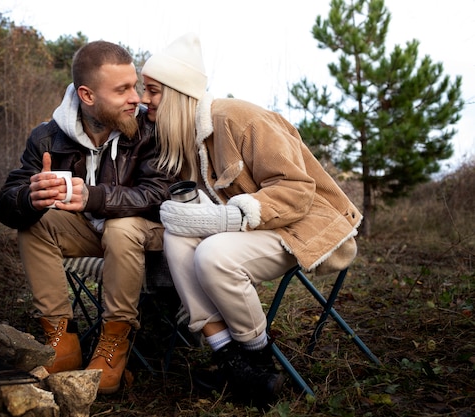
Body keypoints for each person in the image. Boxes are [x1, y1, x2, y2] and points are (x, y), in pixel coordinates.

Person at [140, 33, 362, 407]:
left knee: (212, 254)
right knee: (176, 238)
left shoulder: (238, 119)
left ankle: (258, 356)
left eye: (152, 91)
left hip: (300, 227)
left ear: (178, 94)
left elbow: (295, 190)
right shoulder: (184, 137)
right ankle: (229, 359)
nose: (143, 100)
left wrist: (227, 216)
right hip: (250, 232)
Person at [0, 40, 172, 394]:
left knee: (121, 228)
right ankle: (61, 341)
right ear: (87, 95)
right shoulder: (46, 137)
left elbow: (160, 193)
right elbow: (6, 204)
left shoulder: (148, 131)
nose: (136, 97)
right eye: (122, 89)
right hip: (89, 235)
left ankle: (113, 345)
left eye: (134, 85)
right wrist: (30, 197)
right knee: (37, 220)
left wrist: (94, 197)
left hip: (143, 234)